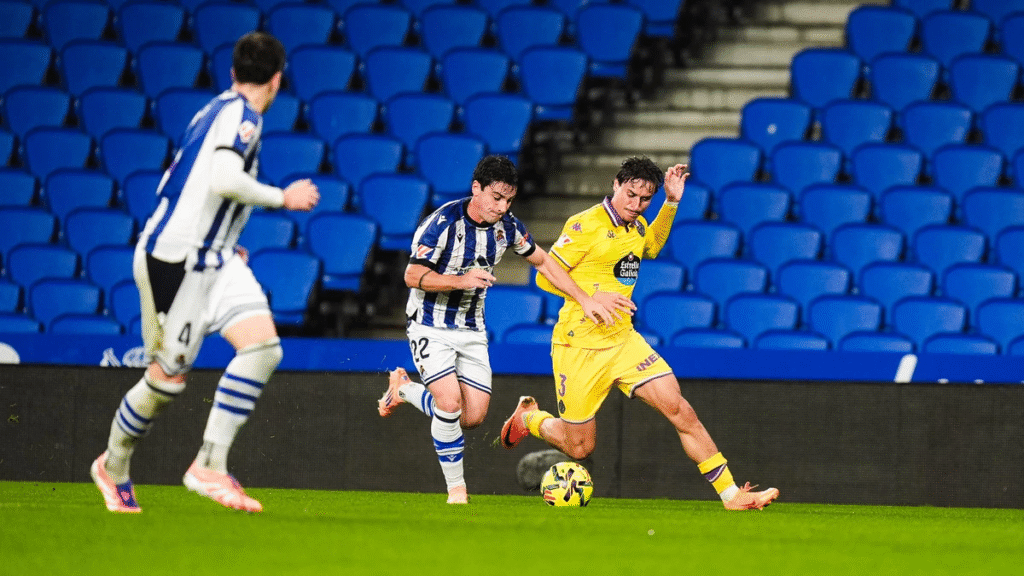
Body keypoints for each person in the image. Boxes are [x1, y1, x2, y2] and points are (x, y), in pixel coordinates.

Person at [89, 32, 320, 514]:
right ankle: (113, 465)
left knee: (262, 347)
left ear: (233, 72)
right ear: (278, 80)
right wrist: (283, 197)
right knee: (165, 381)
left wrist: (226, 238)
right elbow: (222, 179)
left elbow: (192, 186)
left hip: (211, 255)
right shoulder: (244, 117)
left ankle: (209, 464)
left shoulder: (213, 110)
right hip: (176, 259)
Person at [498, 157, 780, 510]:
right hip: (579, 345)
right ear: (616, 185)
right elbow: (544, 275)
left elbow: (653, 245)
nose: (636, 204)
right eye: (630, 195)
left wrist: (671, 203)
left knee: (681, 410)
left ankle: (732, 494)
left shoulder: (637, 225)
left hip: (623, 341)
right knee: (580, 448)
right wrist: (589, 297)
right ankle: (530, 419)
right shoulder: (584, 225)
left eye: (645, 199)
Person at [376, 155, 632, 504]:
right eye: (496, 198)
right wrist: (461, 280)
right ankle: (457, 490)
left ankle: (404, 389)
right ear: (476, 188)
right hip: (429, 324)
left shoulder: (507, 227)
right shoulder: (441, 224)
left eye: (509, 200)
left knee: (472, 417)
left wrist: (584, 298)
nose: (502, 206)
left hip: (471, 328)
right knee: (449, 404)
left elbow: (544, 262)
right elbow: (411, 275)